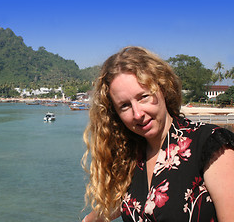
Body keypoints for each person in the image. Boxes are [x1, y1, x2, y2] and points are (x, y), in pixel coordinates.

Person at [81, 46, 234, 222]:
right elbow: (120, 205)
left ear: (162, 87)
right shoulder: (131, 159)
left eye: (143, 97)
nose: (137, 114)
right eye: (124, 106)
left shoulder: (211, 145)